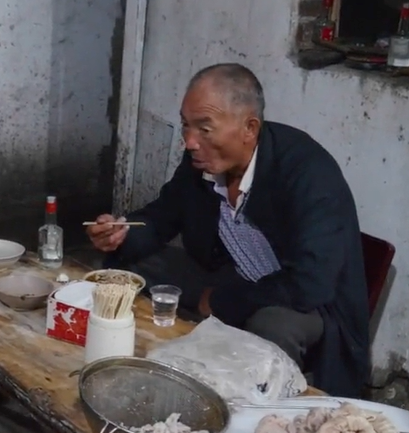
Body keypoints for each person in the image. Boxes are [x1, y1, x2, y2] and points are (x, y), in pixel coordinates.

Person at [86, 63, 369, 398]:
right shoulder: (202, 159)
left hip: (305, 304)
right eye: (186, 126)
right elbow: (163, 215)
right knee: (129, 266)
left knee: (272, 327)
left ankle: (254, 416)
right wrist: (122, 233)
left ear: (249, 128)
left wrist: (222, 302)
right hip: (233, 279)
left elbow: (311, 283)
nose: (190, 142)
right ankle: (129, 361)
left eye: (205, 129)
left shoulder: (309, 174)